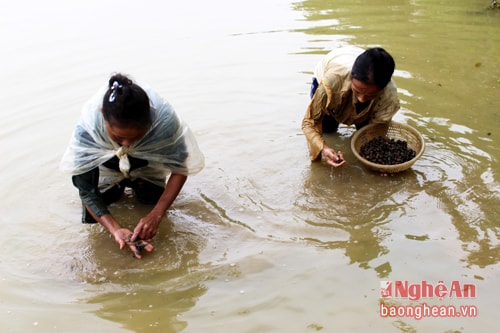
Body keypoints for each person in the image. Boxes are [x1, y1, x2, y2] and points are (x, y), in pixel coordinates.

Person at [60, 73, 204, 259]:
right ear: (103, 115)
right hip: (106, 160)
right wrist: (116, 229)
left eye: (135, 136)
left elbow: (181, 168)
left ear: (150, 121)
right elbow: (87, 190)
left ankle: (142, 186)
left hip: (147, 159)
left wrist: (156, 214)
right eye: (119, 137)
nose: (127, 144)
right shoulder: (89, 129)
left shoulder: (164, 122)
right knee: (103, 203)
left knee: (150, 199)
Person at [302, 45, 400, 168]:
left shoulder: (388, 96)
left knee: (366, 135)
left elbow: (376, 132)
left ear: (382, 89)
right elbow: (309, 123)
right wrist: (324, 149)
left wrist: (381, 165)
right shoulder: (332, 82)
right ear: (351, 78)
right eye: (358, 91)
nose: (361, 99)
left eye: (370, 96)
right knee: (327, 130)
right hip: (332, 75)